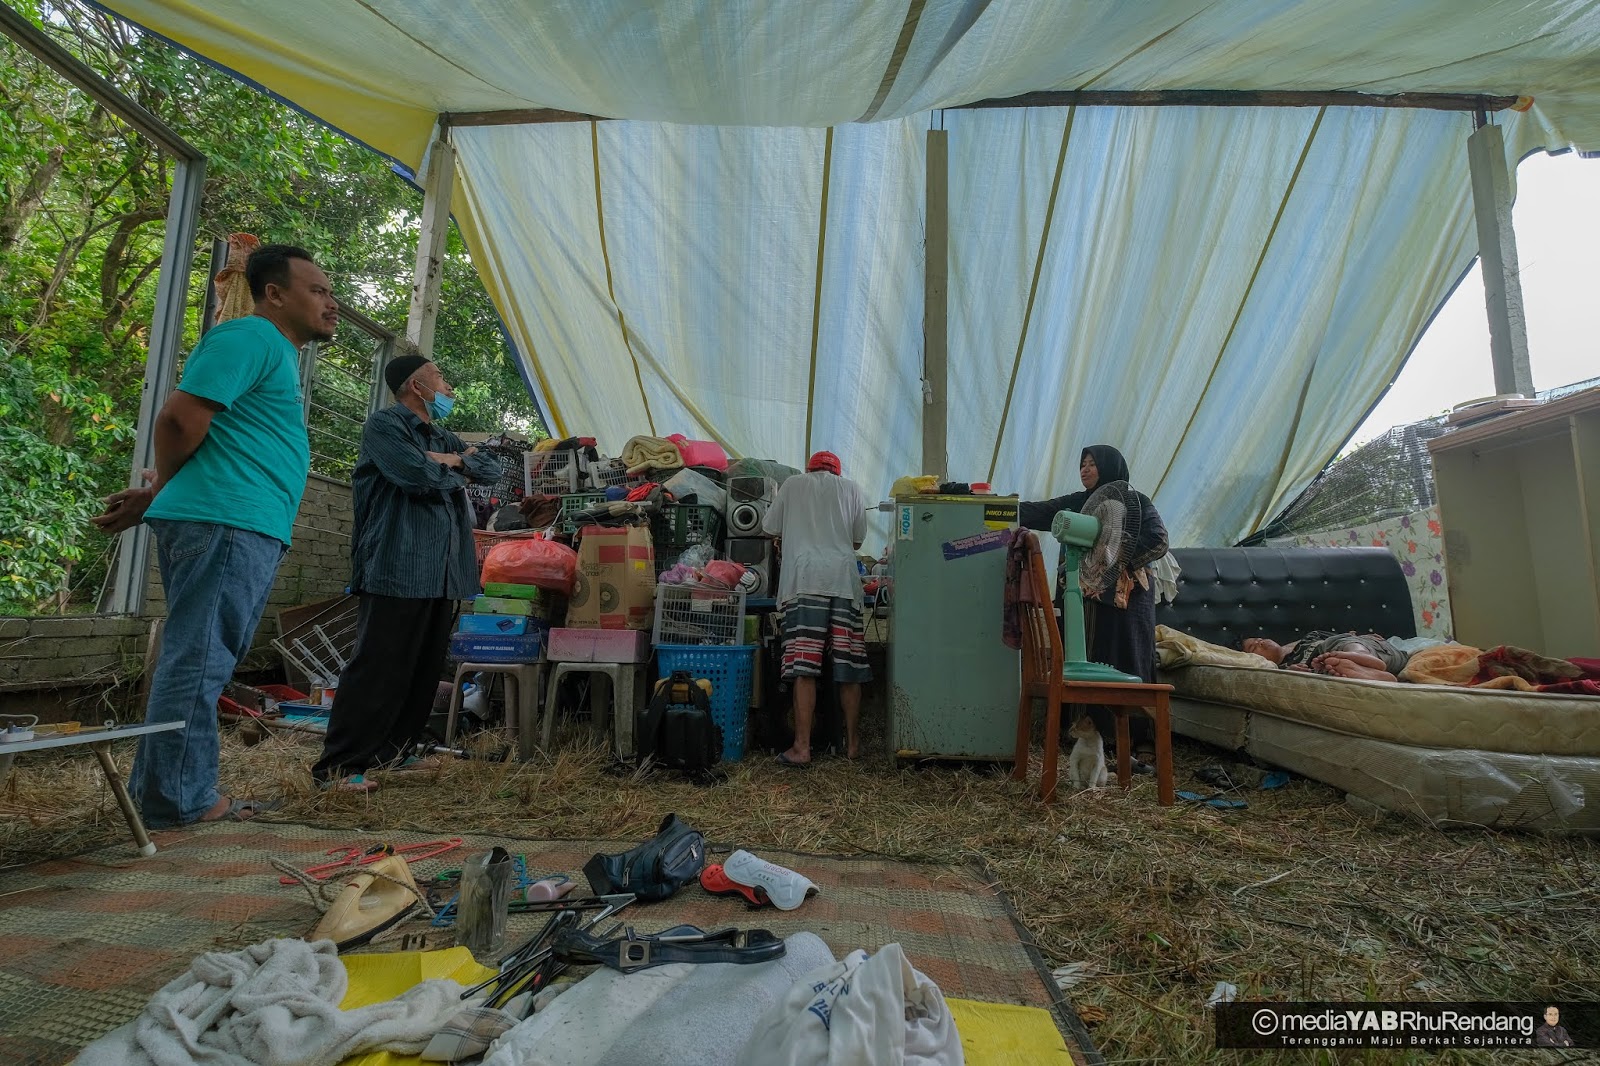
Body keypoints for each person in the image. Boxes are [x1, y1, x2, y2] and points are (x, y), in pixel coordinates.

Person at [92, 244, 335, 827]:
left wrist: (157, 493)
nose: (331, 304)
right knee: (198, 662)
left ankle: (161, 796)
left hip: (234, 521)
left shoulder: (271, 351)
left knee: (195, 660)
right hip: (227, 521)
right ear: (274, 294)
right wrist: (161, 490)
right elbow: (178, 418)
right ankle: (182, 800)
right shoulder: (250, 338)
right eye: (317, 291)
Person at [311, 350, 500, 792]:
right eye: (441, 377)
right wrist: (451, 464)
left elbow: (491, 468)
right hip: (398, 564)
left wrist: (452, 459)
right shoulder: (385, 426)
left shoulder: (442, 435)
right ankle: (338, 768)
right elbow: (418, 478)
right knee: (379, 666)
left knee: (421, 667)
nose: (449, 387)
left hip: (442, 572)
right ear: (417, 386)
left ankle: (395, 754)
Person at [1020, 445, 1169, 770]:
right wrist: (993, 508)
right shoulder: (1078, 502)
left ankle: (1138, 742)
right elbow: (1036, 512)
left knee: (1128, 659)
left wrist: (1113, 561)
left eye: (1092, 464)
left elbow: (1158, 539)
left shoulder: (1137, 502)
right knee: (1084, 657)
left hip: (1126, 601)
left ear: (1110, 466)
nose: (1085, 469)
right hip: (1082, 597)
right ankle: (1088, 735)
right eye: (1082, 464)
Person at [763, 451, 870, 765]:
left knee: (804, 669)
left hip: (806, 579)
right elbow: (857, 541)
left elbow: (769, 528)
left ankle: (802, 747)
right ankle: (852, 746)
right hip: (843, 581)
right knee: (848, 668)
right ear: (836, 471)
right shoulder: (851, 488)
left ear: (809, 468)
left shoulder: (793, 484)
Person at [1243, 632, 1409, 681]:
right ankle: (1369, 674)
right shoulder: (1281, 670)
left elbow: (1350, 635)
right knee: (1328, 667)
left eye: (1259, 638)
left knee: (1341, 643)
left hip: (1379, 651)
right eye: (1253, 646)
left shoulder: (1310, 637)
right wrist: (1292, 674)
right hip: (1334, 666)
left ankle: (1360, 657)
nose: (1261, 642)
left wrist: (1364, 637)